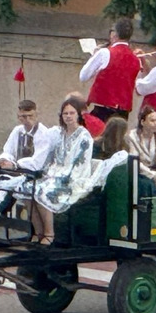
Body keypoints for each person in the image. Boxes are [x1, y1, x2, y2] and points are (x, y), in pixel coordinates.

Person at [31, 96, 96, 245]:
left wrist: (59, 177)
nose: (68, 116)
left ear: (78, 114)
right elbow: (53, 158)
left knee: (43, 191)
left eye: (71, 113)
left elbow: (79, 166)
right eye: (65, 113)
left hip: (73, 179)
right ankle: (38, 231)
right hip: (55, 173)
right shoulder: (59, 133)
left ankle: (49, 233)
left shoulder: (84, 137)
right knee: (28, 188)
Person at [80, 17, 141, 122]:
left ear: (114, 34)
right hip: (123, 112)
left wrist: (94, 55)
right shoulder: (136, 59)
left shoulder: (105, 53)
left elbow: (83, 76)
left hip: (103, 109)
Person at [0, 99, 53, 172]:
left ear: (36, 115)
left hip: (36, 174)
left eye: (30, 116)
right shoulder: (17, 131)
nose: (28, 120)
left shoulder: (43, 133)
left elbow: (37, 163)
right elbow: (8, 150)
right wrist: (5, 160)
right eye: (23, 116)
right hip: (16, 171)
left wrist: (15, 164)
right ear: (18, 116)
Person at [125, 105, 156, 195]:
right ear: (142, 122)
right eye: (152, 120)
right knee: (148, 184)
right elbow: (135, 162)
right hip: (140, 173)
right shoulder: (132, 136)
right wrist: (153, 175)